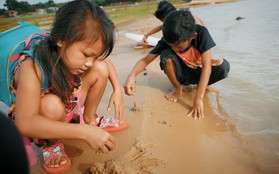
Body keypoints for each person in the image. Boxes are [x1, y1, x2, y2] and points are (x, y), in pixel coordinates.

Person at [2, 0, 123, 173]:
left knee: (101, 69)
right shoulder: (31, 67)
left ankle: (90, 118)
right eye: (86, 55)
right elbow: (25, 122)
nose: (89, 63)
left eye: (95, 56)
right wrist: (84, 133)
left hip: (63, 95)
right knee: (51, 105)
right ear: (61, 40)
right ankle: (52, 143)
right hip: (39, 112)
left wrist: (117, 89)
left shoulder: (75, 53)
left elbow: (105, 62)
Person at [124, 9, 230, 120]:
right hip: (182, 75)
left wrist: (198, 98)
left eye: (178, 47)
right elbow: (145, 61)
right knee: (165, 54)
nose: (174, 49)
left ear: (193, 37)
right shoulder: (167, 41)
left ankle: (203, 86)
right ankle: (178, 89)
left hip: (198, 69)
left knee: (224, 66)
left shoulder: (202, 33)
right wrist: (131, 76)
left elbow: (206, 66)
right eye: (171, 45)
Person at [140, 1, 205, 46]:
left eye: (163, 21)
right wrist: (146, 35)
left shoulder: (185, 20)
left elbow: (199, 35)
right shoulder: (176, 17)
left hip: (198, 36)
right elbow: (161, 27)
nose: (164, 23)